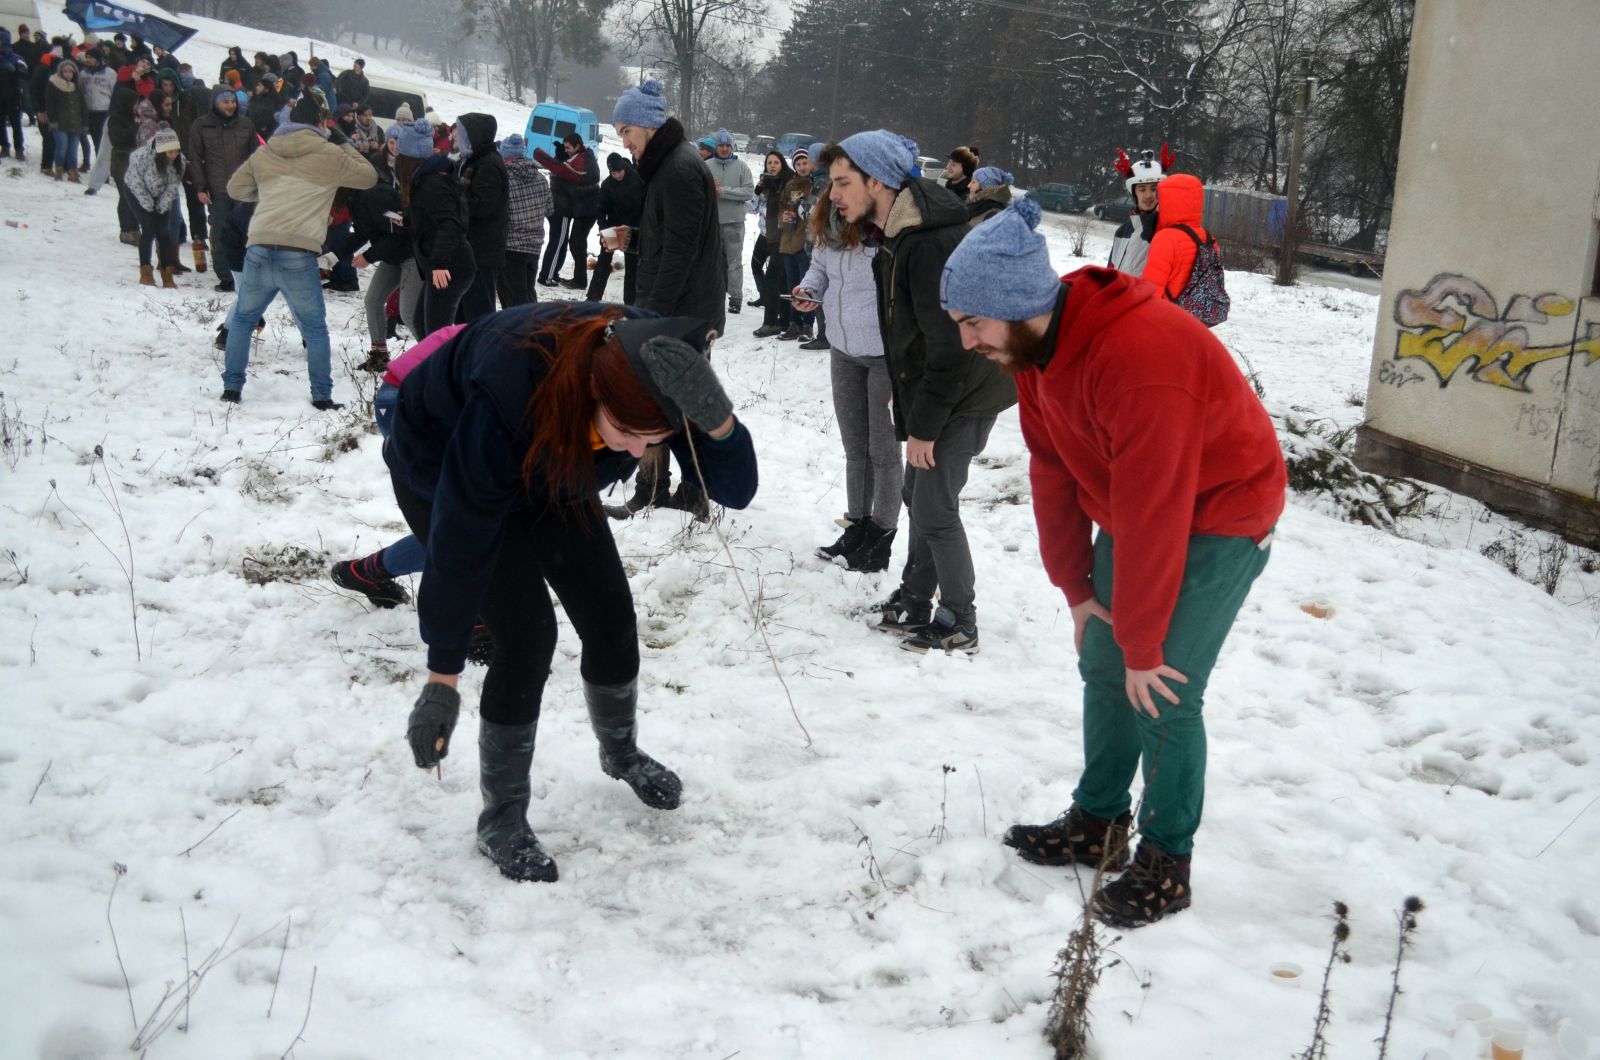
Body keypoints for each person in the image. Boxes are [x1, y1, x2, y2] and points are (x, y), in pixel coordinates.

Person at [940, 199, 1286, 928]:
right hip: (1139, 507)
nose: (966, 340)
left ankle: (1167, 860)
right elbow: (1052, 469)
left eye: (973, 323)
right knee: (1104, 660)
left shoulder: (1140, 358)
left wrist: (1145, 642)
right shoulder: (1035, 350)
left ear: (1016, 305)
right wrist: (1076, 590)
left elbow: (1160, 507)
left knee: (1161, 686)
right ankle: (1099, 820)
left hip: (1222, 511)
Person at [385, 305, 758, 883]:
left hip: (559, 465)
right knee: (527, 636)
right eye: (629, 436)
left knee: (609, 613)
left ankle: (621, 752)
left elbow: (734, 491)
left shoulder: (660, 370)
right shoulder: (512, 386)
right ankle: (501, 818)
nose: (638, 454)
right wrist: (442, 677)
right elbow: (461, 541)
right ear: (592, 391)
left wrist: (718, 423)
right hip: (444, 462)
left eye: (652, 440)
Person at [822, 130, 1017, 654]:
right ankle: (914, 598)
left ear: (878, 180)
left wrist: (924, 427)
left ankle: (960, 618)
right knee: (918, 495)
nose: (833, 195)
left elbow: (949, 347)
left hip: (968, 387)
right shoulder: (900, 230)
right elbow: (909, 334)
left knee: (933, 504)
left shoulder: (926, 239)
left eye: (843, 182)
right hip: (939, 385)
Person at [606, 78, 727, 518]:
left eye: (626, 131)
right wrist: (633, 239)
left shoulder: (678, 168)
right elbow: (669, 239)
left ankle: (693, 493)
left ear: (647, 126)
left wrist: (649, 315)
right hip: (676, 306)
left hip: (685, 312)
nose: (624, 141)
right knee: (655, 396)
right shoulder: (666, 166)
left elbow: (681, 251)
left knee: (684, 400)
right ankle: (653, 486)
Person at [219, 92, 378, 407]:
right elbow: (369, 177)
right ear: (322, 124)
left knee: (243, 319)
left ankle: (232, 389)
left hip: (259, 247)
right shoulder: (329, 154)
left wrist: (269, 193)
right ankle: (321, 397)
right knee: (315, 329)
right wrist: (342, 140)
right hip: (299, 252)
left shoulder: (267, 152)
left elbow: (235, 188)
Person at [793, 195, 900, 572]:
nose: (839, 198)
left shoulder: (883, 232)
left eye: (845, 189)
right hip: (842, 350)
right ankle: (856, 525)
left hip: (883, 355)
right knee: (855, 447)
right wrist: (809, 291)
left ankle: (881, 536)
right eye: (834, 192)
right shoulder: (829, 230)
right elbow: (818, 269)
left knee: (883, 451)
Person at [352, 122, 425, 371]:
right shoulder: (377, 172)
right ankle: (379, 354)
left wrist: (369, 256)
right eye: (391, 142)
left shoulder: (390, 186)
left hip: (410, 253)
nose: (394, 148)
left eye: (398, 143)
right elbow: (370, 230)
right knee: (373, 300)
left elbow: (399, 231)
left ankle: (435, 355)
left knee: (408, 313)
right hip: (392, 253)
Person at [407, 125, 477, 338]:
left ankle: (443, 370)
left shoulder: (432, 183)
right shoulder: (432, 181)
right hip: (444, 264)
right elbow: (434, 217)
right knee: (421, 324)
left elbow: (450, 223)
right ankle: (432, 368)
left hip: (449, 266)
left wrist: (439, 263)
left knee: (435, 334)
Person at [189, 88, 255, 292]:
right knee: (220, 234)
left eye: (232, 101)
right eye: (225, 102)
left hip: (245, 190)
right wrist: (200, 187)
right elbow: (195, 158)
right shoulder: (202, 125)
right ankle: (226, 277)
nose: (230, 106)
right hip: (218, 189)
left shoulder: (246, 124)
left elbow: (256, 157)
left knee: (248, 234)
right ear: (215, 103)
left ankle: (247, 276)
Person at [452, 112, 508, 320]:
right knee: (463, 311)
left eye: (462, 132)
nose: (456, 136)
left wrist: (452, 198)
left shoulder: (488, 166)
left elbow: (481, 206)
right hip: (472, 249)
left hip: (482, 251)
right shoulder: (474, 161)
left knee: (479, 313)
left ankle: (481, 350)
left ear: (474, 135)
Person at [533, 131, 600, 290]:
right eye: (565, 148)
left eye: (568, 147)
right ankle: (549, 275)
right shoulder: (570, 163)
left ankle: (555, 275)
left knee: (565, 243)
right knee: (561, 243)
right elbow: (563, 172)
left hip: (572, 211)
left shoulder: (579, 163)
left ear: (578, 146)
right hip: (563, 210)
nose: (566, 150)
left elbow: (568, 173)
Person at [124, 123, 185, 286]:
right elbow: (136, 183)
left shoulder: (180, 162)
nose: (174, 155)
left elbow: (173, 185)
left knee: (164, 233)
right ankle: (145, 271)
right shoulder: (140, 157)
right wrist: (148, 205)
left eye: (176, 151)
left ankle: (167, 272)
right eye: (170, 152)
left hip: (161, 196)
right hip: (136, 193)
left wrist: (161, 206)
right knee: (149, 230)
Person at [498, 132, 551, 308]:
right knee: (529, 292)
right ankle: (535, 329)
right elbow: (550, 209)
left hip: (512, 246)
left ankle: (522, 332)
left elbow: (502, 214)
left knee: (516, 298)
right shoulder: (541, 178)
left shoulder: (505, 179)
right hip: (535, 245)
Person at [706, 128, 754, 318]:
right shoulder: (707, 165)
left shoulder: (742, 167)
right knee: (712, 263)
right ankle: (714, 297)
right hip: (712, 222)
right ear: (716, 147)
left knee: (734, 263)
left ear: (732, 147)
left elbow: (749, 192)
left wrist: (723, 192)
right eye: (721, 145)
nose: (724, 149)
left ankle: (735, 298)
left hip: (734, 222)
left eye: (727, 145)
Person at [1140, 172, 1211, 301]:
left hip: (1168, 315)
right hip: (1196, 316)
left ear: (1168, 200)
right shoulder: (1208, 238)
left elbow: (1151, 289)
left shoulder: (1165, 238)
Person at [586, 152, 642, 304]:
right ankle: (593, 297)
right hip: (612, 227)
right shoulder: (607, 185)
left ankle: (630, 302)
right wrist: (604, 229)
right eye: (613, 172)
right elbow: (600, 209)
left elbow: (644, 205)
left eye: (619, 171)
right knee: (603, 263)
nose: (617, 175)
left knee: (632, 267)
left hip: (632, 228)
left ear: (624, 167)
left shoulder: (637, 179)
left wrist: (639, 227)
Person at [775, 145, 817, 342]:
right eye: (798, 163)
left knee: (806, 286)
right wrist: (784, 218)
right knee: (792, 285)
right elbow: (782, 208)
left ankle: (808, 324)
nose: (802, 167)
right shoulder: (790, 185)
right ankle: (795, 323)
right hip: (788, 242)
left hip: (805, 243)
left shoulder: (815, 184)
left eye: (805, 163)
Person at [1108, 146, 1170, 276]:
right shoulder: (1122, 231)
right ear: (1134, 194)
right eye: (1142, 189)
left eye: (1154, 189)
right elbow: (1110, 272)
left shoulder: (1167, 230)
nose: (1148, 195)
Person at [750, 150, 792, 338]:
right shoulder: (764, 184)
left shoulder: (788, 183)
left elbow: (793, 210)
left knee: (774, 277)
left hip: (781, 237)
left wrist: (786, 224)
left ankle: (772, 322)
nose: (772, 166)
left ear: (782, 164)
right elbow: (751, 208)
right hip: (764, 233)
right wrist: (757, 191)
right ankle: (768, 299)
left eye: (776, 162)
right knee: (755, 266)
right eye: (769, 163)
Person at [43, 57, 82, 180]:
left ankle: (72, 171)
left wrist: (85, 122)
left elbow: (83, 105)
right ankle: (59, 169)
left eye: (71, 71)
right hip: (59, 123)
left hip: (75, 122)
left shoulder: (77, 86)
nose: (68, 74)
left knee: (73, 149)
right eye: (65, 71)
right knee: (61, 147)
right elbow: (50, 104)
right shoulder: (53, 84)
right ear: (61, 72)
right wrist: (53, 120)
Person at [77, 49, 115, 162]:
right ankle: (89, 162)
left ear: (98, 59)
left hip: (103, 111)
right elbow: (80, 90)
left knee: (101, 142)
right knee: (93, 140)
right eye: (87, 57)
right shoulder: (83, 73)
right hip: (88, 111)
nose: (88, 60)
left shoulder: (110, 73)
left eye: (91, 58)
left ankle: (103, 173)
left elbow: (115, 91)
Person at [0, 30, 24, 160]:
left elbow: (25, 72)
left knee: (16, 124)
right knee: (0, 124)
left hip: (13, 96)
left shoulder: (15, 57)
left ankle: (19, 149)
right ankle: (4, 146)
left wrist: (15, 69)